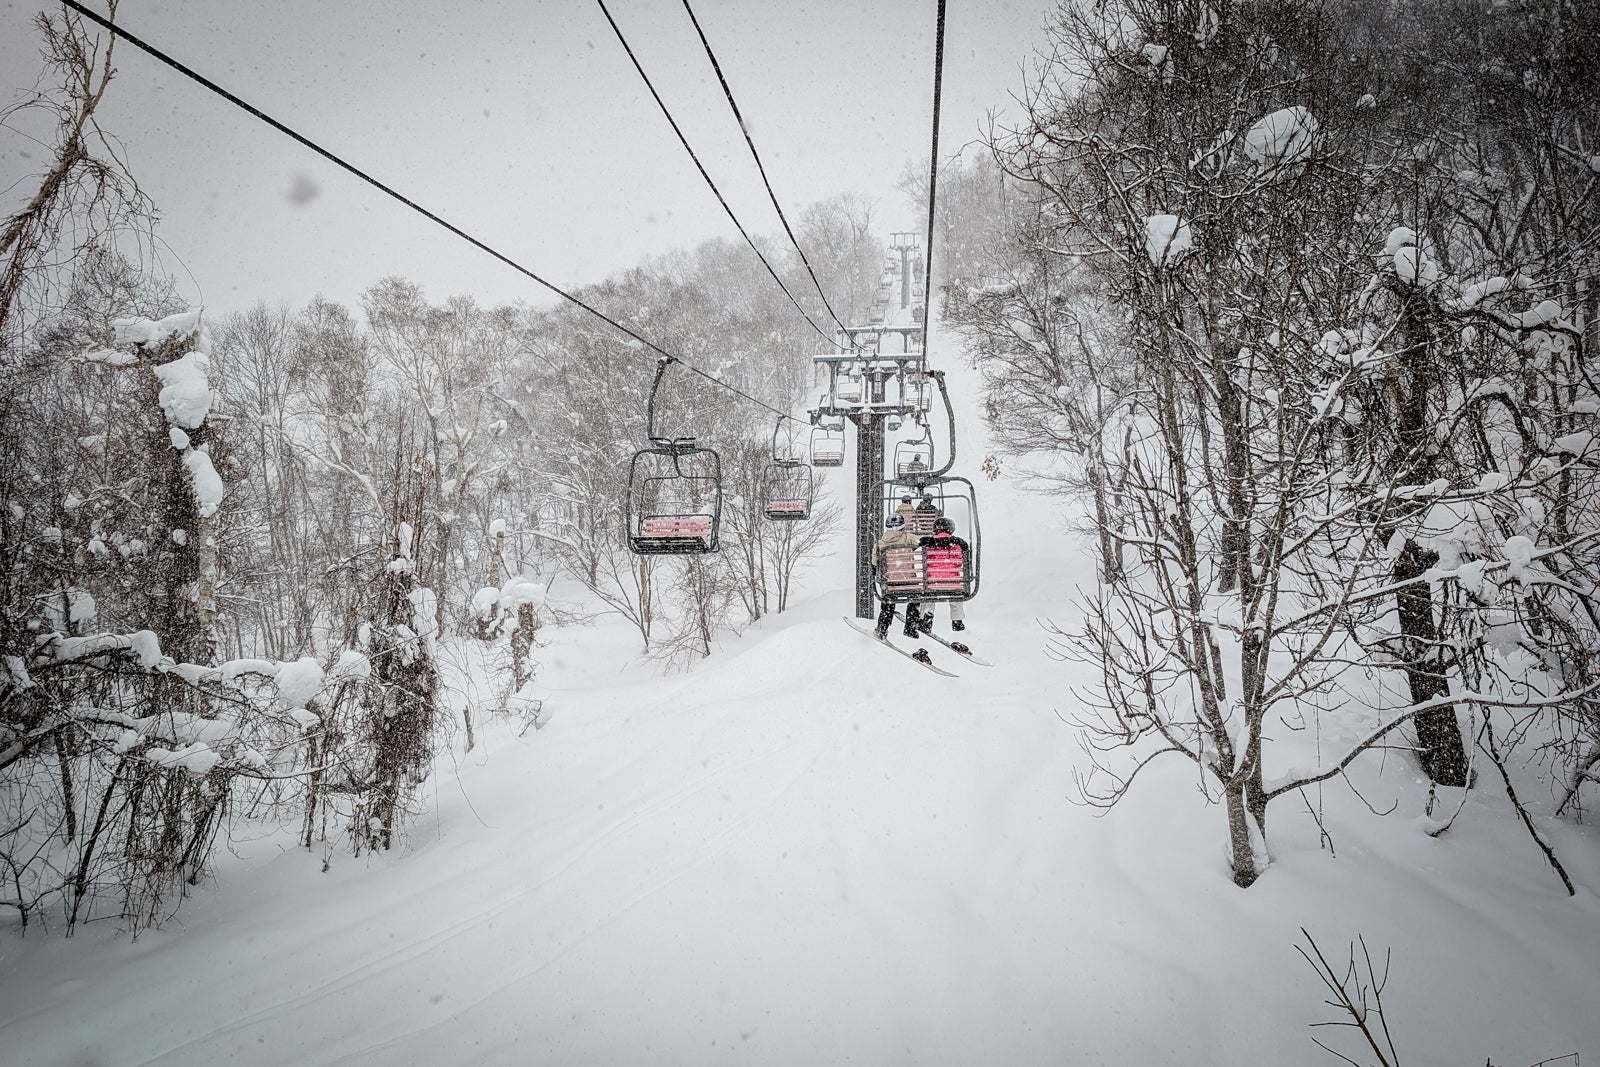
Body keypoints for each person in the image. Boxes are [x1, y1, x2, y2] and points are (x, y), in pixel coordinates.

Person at [917, 516, 970, 651]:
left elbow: (926, 559)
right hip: (954, 584)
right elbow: (960, 562)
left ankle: (926, 617)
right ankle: (957, 621)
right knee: (955, 599)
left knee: (929, 596)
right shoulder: (958, 544)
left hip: (933, 583)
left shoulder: (929, 543)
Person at [872, 513, 924, 640]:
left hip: (890, 582)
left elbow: (874, 563)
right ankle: (910, 626)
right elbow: (921, 541)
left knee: (888, 600)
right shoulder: (908, 538)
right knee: (915, 597)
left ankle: (882, 627)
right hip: (909, 582)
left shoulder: (880, 543)